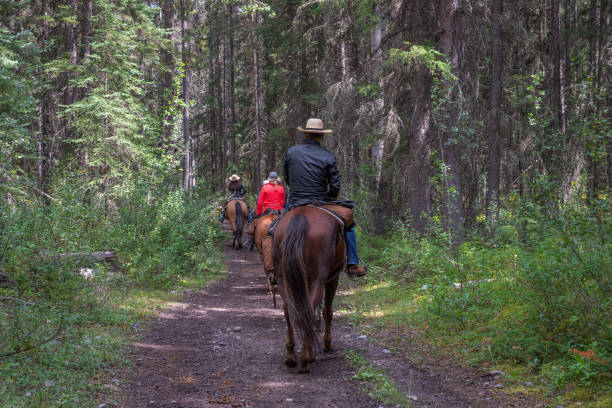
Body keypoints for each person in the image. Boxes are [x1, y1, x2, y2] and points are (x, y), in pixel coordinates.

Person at [283, 118, 367, 276]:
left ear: (306, 134)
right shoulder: (327, 156)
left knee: (274, 228)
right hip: (320, 201)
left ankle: (274, 267)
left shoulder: (291, 152)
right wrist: (329, 197)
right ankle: (352, 264)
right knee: (348, 223)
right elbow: (335, 185)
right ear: (321, 136)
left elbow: (287, 178)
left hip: (296, 201)